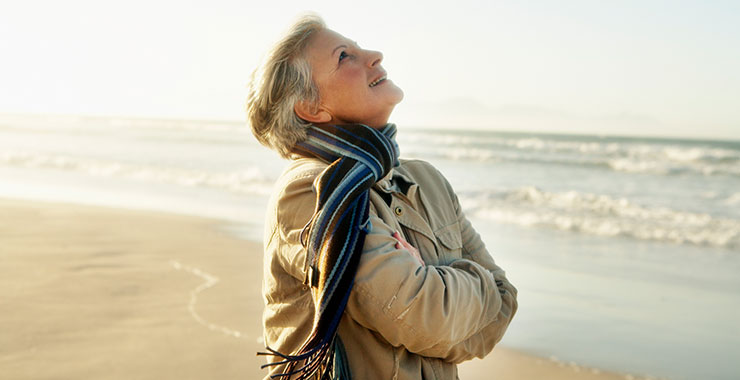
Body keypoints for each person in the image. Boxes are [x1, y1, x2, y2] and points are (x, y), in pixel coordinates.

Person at [246, 14, 518, 380]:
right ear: (312, 108)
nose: (375, 55)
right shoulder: (311, 190)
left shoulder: (424, 179)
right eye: (345, 56)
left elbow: (504, 303)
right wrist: (469, 295)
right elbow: (429, 320)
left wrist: (434, 288)